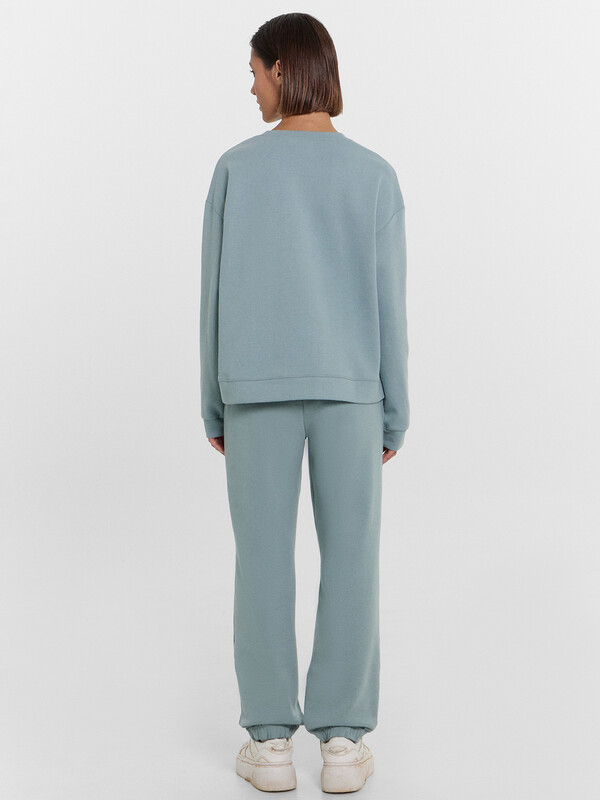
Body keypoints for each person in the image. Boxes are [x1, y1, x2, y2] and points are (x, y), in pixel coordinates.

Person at [200, 12, 409, 793]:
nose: (251, 86)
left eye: (255, 71)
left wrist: (213, 402)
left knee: (261, 562)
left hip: (254, 394)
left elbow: (211, 297)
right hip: (352, 396)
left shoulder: (236, 169)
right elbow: (390, 304)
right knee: (353, 560)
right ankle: (344, 743)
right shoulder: (374, 175)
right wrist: (395, 410)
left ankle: (271, 744)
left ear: (283, 69)